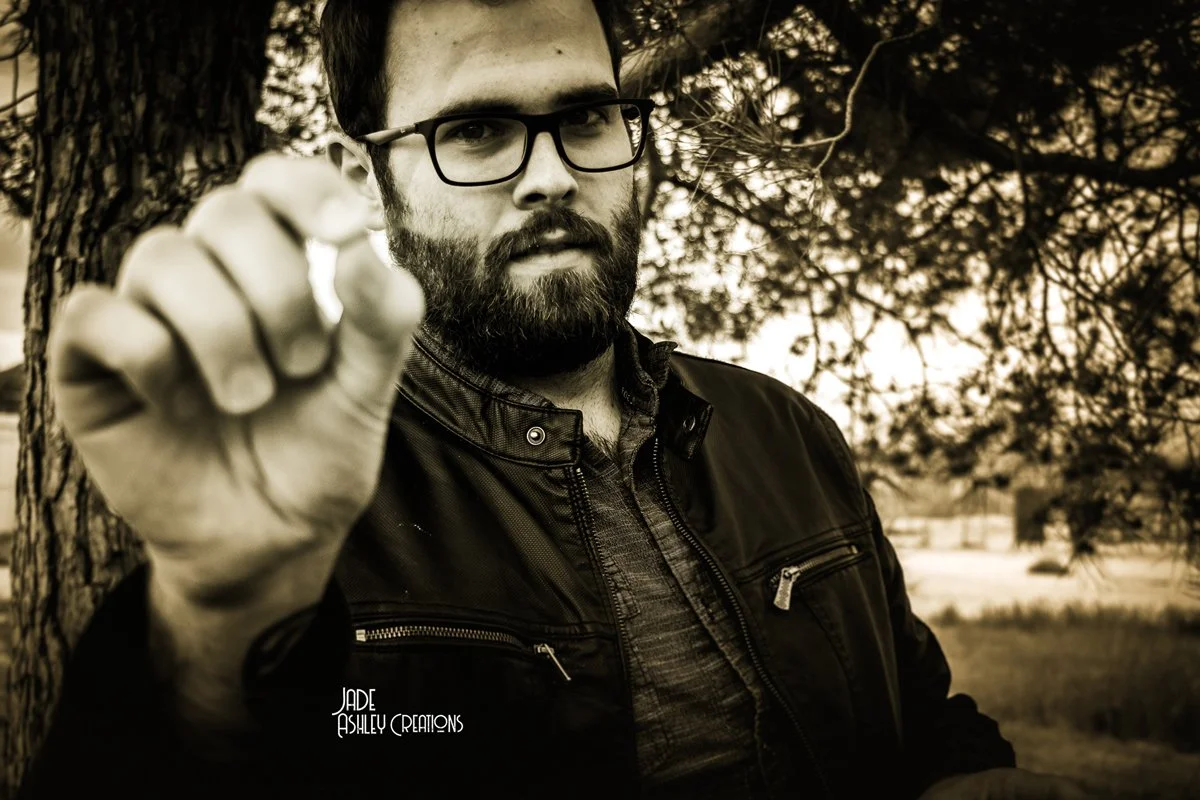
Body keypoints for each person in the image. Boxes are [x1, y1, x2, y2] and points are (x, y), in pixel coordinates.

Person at [20, 1, 1088, 798]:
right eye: (476, 130)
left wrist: (967, 777)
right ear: (361, 174)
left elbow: (917, 715)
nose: (551, 176)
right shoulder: (309, 501)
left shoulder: (787, 431)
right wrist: (221, 622)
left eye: (585, 114)